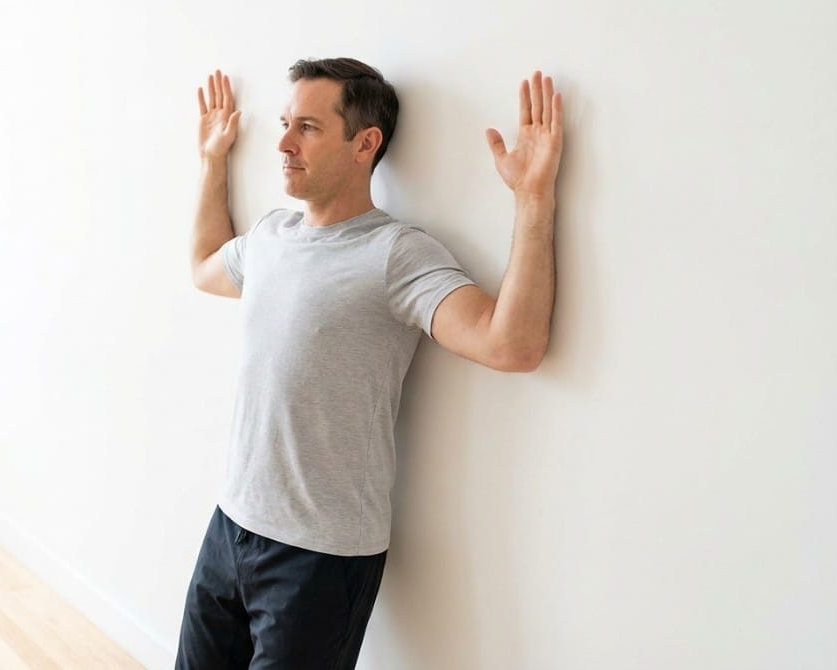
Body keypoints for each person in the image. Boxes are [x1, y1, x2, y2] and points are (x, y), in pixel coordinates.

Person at [178, 57, 563, 669]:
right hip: (230, 524)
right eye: (284, 122)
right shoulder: (271, 236)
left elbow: (509, 345)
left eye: (306, 127)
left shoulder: (394, 255)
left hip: (318, 558)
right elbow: (203, 267)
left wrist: (533, 198)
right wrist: (211, 160)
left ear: (365, 143)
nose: (282, 143)